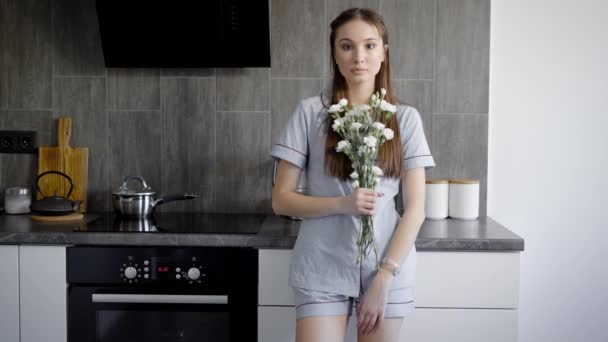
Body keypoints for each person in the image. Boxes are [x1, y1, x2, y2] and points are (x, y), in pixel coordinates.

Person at [271, 7, 435, 342]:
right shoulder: (310, 112)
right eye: (346, 46)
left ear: (384, 53)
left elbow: (416, 209)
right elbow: (281, 200)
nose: (359, 56)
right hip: (320, 267)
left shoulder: (405, 118)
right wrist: (343, 203)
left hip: (386, 267)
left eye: (369, 45)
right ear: (334, 53)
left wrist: (385, 276)